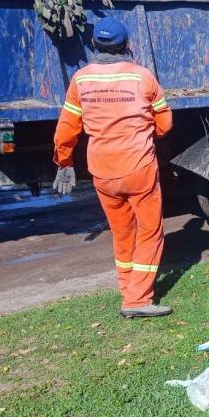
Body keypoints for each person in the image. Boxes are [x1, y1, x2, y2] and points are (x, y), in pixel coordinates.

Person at [51, 17, 175, 318]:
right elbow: (166, 123)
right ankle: (137, 300)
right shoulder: (142, 77)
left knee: (122, 234)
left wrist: (64, 162)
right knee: (149, 232)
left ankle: (128, 288)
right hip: (138, 166)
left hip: (103, 171)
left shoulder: (80, 80)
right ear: (127, 45)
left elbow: (67, 128)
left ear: (94, 45)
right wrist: (148, 134)